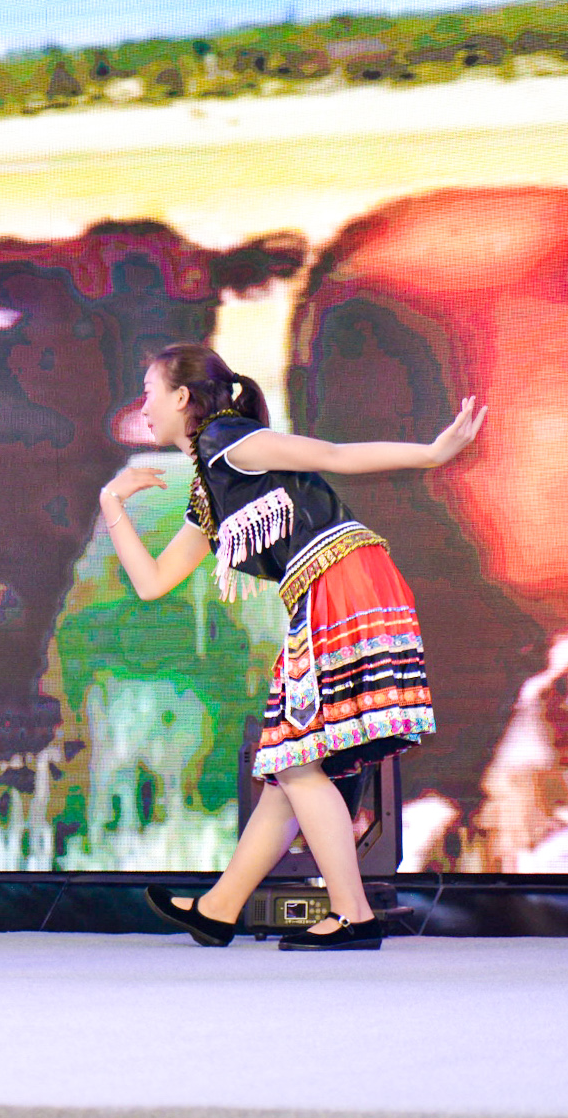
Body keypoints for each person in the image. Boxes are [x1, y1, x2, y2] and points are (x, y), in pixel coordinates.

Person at [100, 343, 478, 951]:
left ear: (181, 397)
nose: (142, 406)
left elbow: (331, 455)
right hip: (334, 587)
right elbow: (153, 582)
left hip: (341, 582)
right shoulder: (211, 486)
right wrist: (111, 502)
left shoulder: (230, 441)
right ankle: (219, 908)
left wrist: (432, 453)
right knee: (290, 767)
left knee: (298, 763)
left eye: (149, 391)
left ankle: (353, 915)